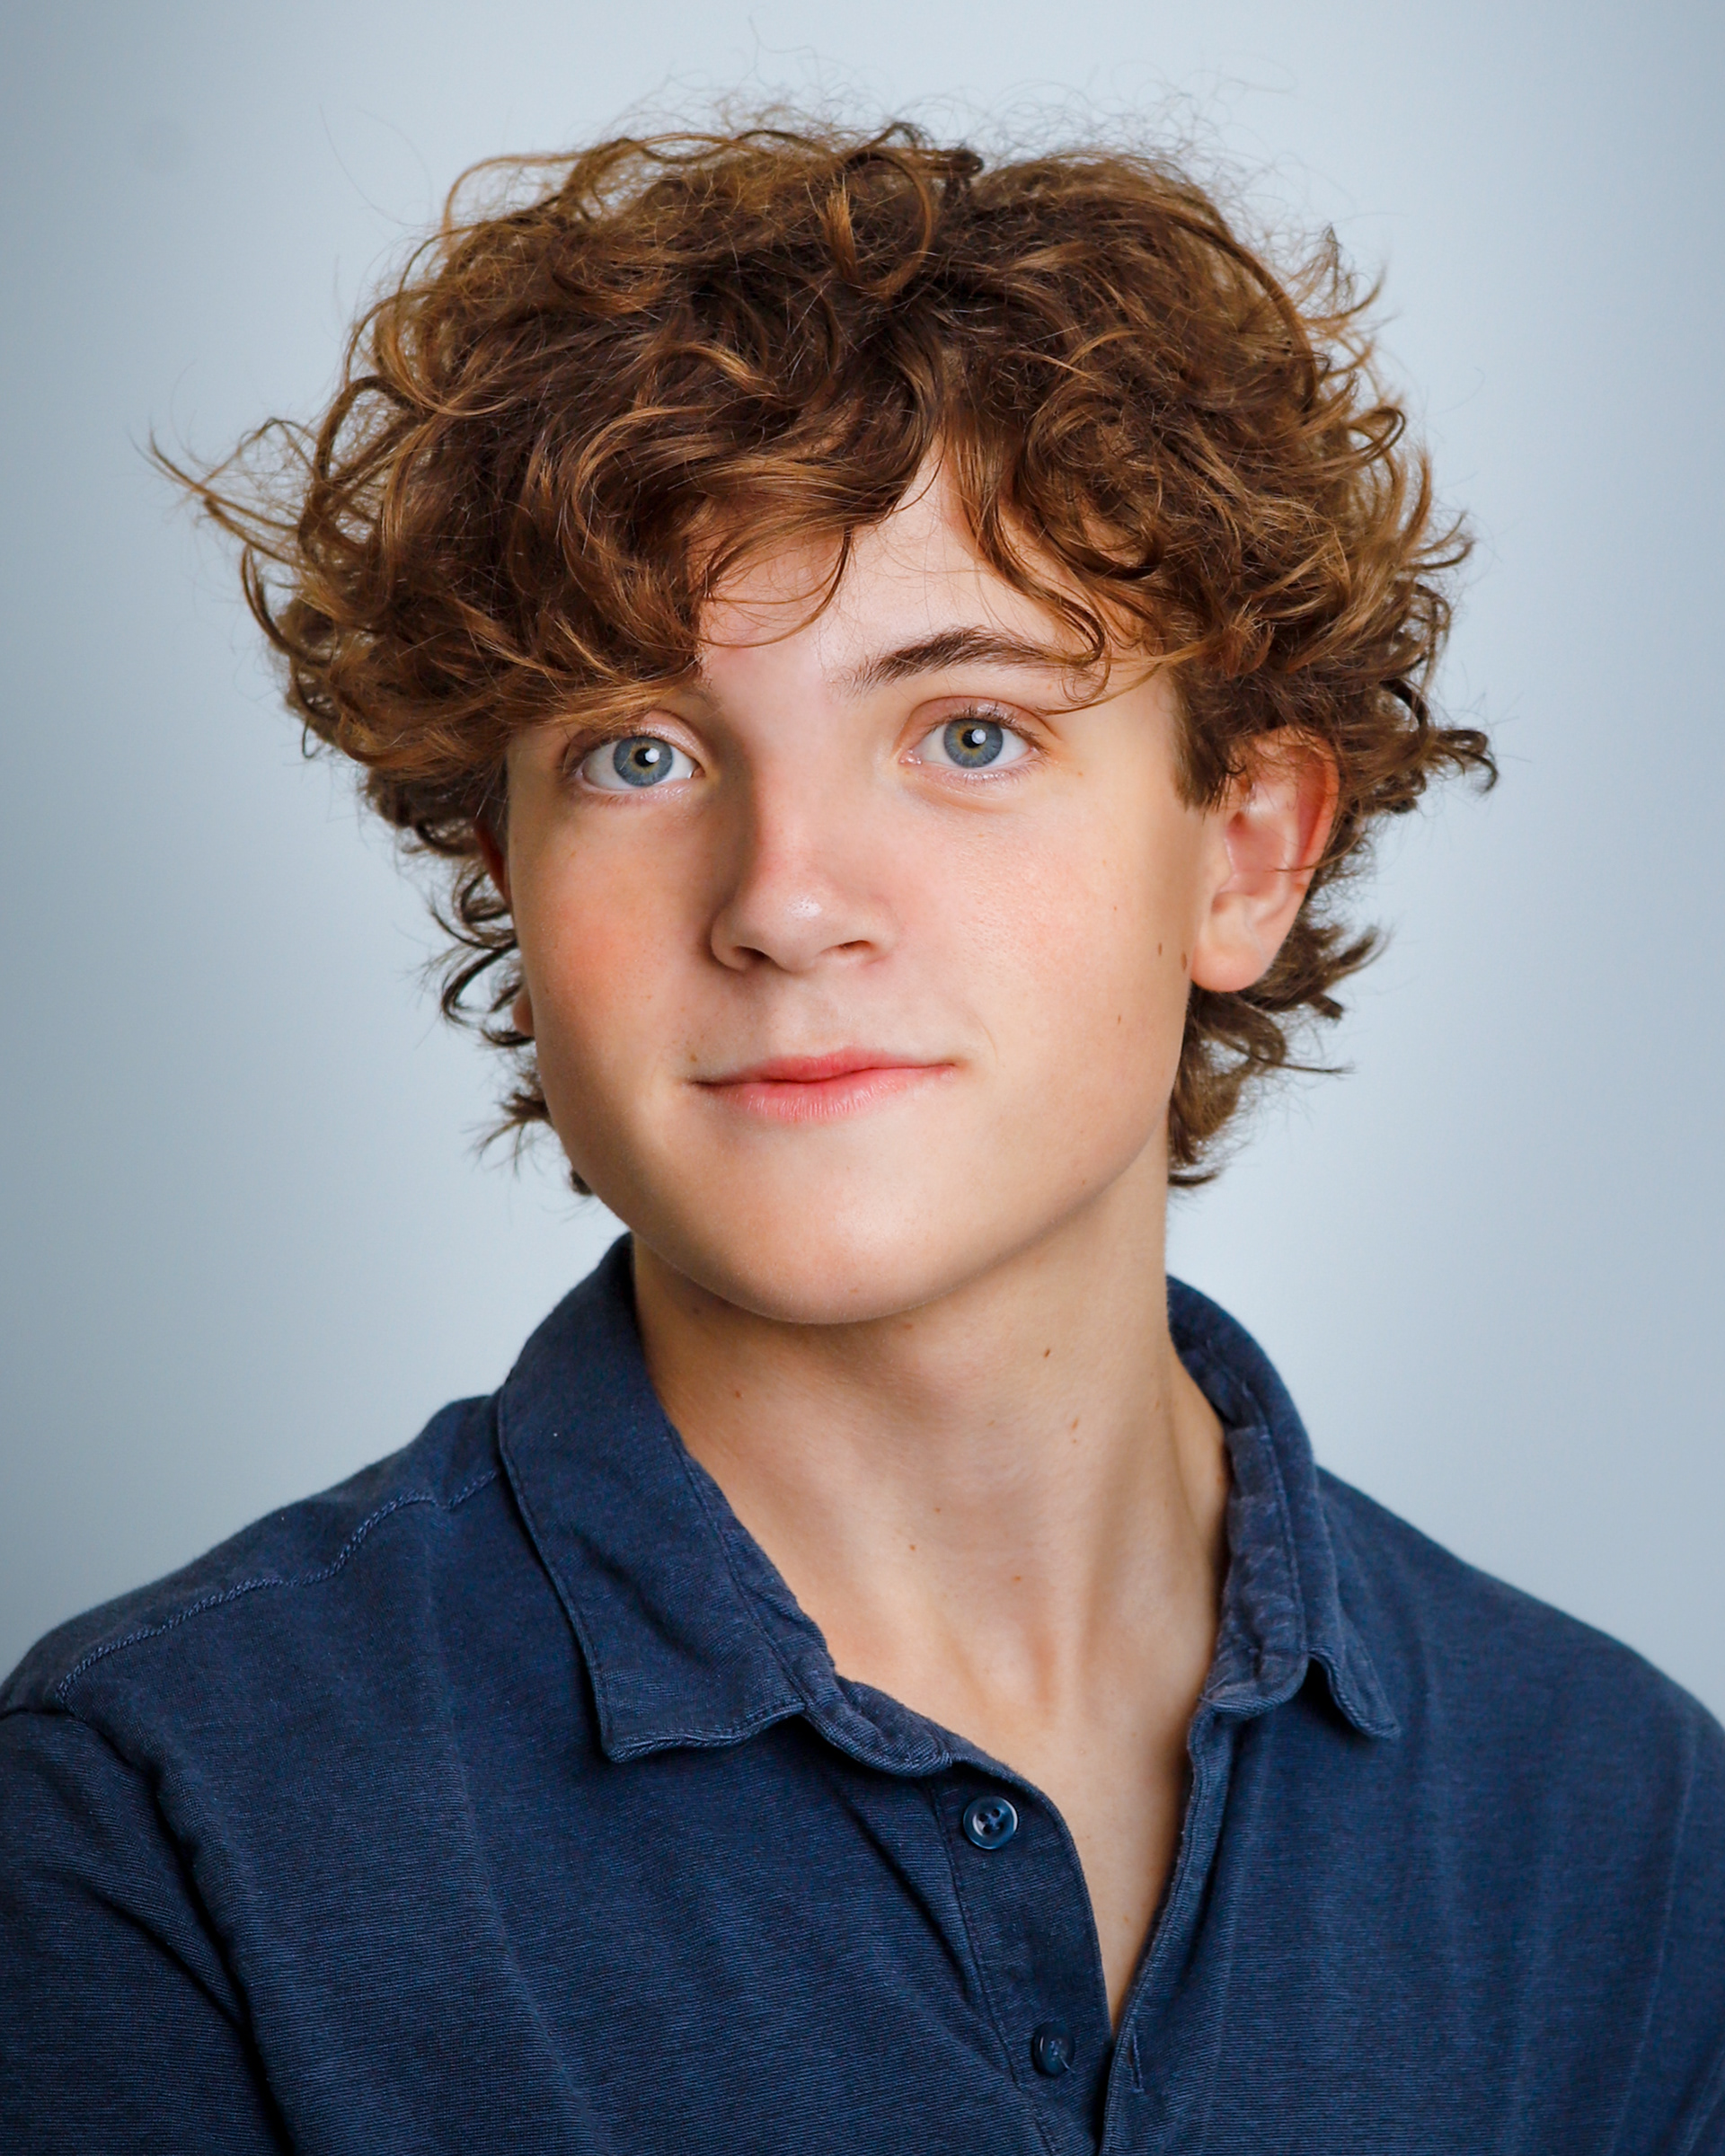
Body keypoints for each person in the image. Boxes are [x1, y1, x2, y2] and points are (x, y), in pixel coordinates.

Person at [2, 120, 1721, 2155]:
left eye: (970, 733)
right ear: (508, 871)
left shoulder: (1627, 1823)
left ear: (1246, 851)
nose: (786, 898)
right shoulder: (156, 1820)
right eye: (637, 754)